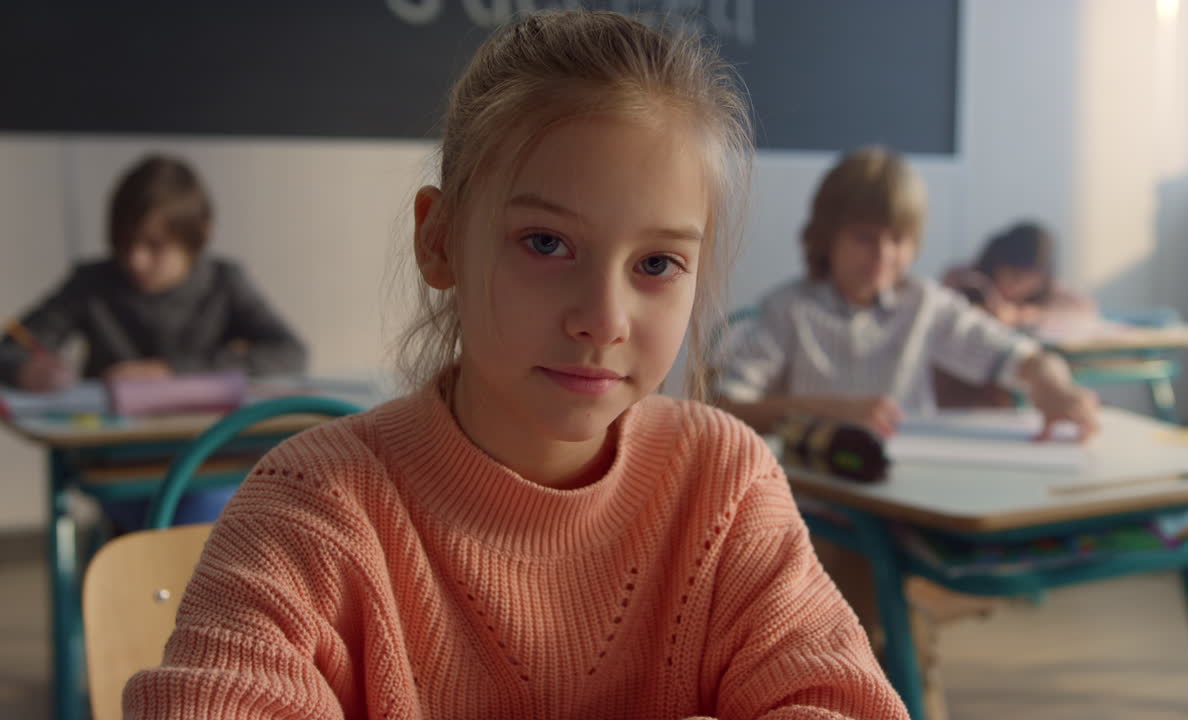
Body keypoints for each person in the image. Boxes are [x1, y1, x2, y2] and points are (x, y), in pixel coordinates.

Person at [124, 11, 909, 719]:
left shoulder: (725, 487)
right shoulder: (318, 509)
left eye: (659, 264)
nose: (603, 320)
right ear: (439, 241)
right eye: (545, 243)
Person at [712, 146, 1100, 720]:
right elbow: (726, 404)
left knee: (899, 628)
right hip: (817, 517)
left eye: (899, 240)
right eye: (865, 237)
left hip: (906, 510)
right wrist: (830, 409)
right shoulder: (787, 312)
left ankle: (904, 685)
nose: (884, 256)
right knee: (859, 622)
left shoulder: (924, 306)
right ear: (826, 237)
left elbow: (1010, 352)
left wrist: (1048, 381)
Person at [0, 154, 307, 528]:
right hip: (121, 465)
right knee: (177, 528)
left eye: (155, 245)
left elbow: (289, 352)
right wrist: (24, 370)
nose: (136, 259)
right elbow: (11, 347)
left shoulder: (225, 281)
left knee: (209, 513)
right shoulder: (93, 284)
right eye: (125, 243)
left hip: (211, 456)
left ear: (199, 235)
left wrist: (171, 373)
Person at [935, 221, 1096, 408]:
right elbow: (945, 303)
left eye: (1028, 279)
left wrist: (1025, 314)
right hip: (961, 383)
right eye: (1013, 274)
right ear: (997, 262)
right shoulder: (967, 280)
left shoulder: (1047, 294)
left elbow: (1084, 307)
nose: (1017, 286)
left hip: (1021, 374)